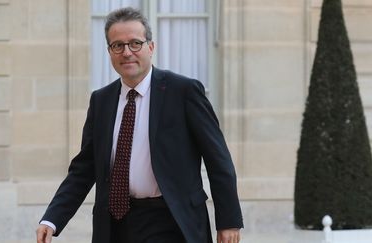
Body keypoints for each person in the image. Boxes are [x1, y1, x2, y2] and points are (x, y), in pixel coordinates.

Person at [36, 7, 243, 243]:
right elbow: (84, 168)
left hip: (172, 221)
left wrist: (228, 221)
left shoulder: (183, 92)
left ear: (151, 47)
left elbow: (218, 159)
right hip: (115, 225)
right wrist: (52, 219)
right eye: (118, 45)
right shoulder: (101, 101)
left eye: (135, 43)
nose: (127, 52)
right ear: (109, 52)